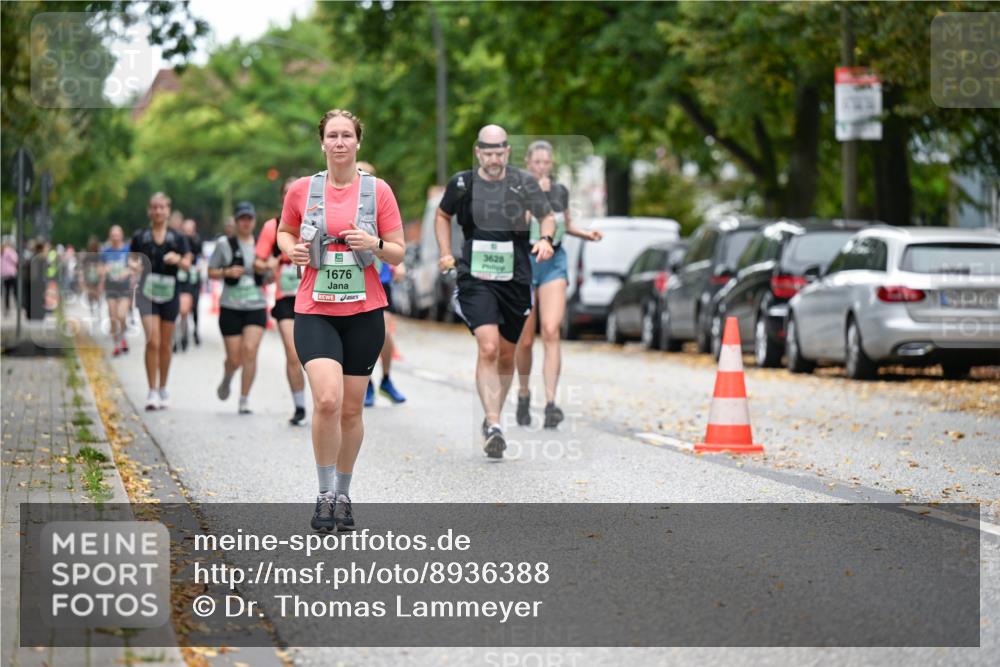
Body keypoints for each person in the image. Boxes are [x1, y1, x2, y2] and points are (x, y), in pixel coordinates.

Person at [276, 109, 404, 531]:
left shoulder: (378, 191)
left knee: (351, 410)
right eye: (332, 135)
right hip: (315, 309)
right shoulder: (302, 189)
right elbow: (285, 230)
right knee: (327, 400)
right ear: (322, 143)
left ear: (357, 142)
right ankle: (324, 494)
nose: (339, 142)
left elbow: (398, 250)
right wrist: (291, 248)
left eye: (347, 135)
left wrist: (375, 243)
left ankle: (344, 495)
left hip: (364, 312)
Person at [436, 124, 556, 459]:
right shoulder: (463, 184)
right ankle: (493, 424)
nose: (492, 157)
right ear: (478, 153)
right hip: (476, 277)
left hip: (516, 277)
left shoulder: (523, 182)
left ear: (507, 152)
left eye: (498, 151)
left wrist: (545, 239)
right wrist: (446, 251)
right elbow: (442, 215)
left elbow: (547, 217)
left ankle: (494, 418)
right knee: (487, 347)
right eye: (486, 151)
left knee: (506, 354)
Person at [514, 140, 602, 428]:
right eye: (536, 162)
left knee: (551, 331)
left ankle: (551, 403)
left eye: (546, 162)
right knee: (525, 339)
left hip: (554, 261)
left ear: (551, 164)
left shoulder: (560, 191)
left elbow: (564, 223)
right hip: (526, 261)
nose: (541, 166)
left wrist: (585, 234)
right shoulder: (518, 188)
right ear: (528, 163)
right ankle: (524, 393)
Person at [129, 192, 192, 410]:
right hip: (146, 293)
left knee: (166, 344)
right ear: (149, 210)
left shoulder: (177, 237)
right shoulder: (140, 236)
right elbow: (132, 259)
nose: (158, 211)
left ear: (167, 210)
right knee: (152, 341)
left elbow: (188, 262)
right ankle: (151, 390)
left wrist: (178, 259)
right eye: (154, 207)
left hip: (170, 293)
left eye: (162, 207)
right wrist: (135, 266)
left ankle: (163, 387)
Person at [255, 179, 308, 425]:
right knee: (293, 353)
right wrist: (271, 263)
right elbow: (258, 261)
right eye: (287, 193)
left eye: (296, 193)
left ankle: (326, 404)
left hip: (316, 296)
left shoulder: (316, 222)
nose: (292, 196)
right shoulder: (273, 226)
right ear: (282, 199)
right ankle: (299, 406)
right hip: (285, 299)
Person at [208, 202, 269, 415]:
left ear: (254, 221)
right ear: (235, 221)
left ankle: (244, 399)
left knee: (250, 351)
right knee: (235, 359)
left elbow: (270, 277)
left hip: (256, 305)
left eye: (249, 218)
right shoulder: (225, 244)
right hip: (231, 306)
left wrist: (268, 269)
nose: (245, 222)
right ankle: (228, 376)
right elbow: (210, 271)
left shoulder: (263, 243)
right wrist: (227, 272)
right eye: (241, 218)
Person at [356, 161, 406, 408]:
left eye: (366, 175)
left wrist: (399, 266)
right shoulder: (345, 205)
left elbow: (395, 242)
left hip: (380, 278)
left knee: (383, 332)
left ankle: (386, 379)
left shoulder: (381, 204)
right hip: (354, 280)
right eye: (359, 174)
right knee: (358, 336)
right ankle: (365, 383)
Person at [101, 225, 132, 356]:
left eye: (117, 234)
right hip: (111, 287)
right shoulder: (105, 252)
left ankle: (123, 336)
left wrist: (127, 272)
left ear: (121, 235)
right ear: (110, 236)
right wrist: (105, 270)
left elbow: (134, 267)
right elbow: (100, 269)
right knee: (113, 317)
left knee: (121, 315)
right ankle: (116, 345)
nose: (115, 237)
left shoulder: (128, 250)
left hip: (124, 287)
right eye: (112, 235)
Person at [174, 218, 203, 352]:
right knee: (179, 309)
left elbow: (201, 258)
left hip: (193, 279)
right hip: (180, 279)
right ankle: (178, 337)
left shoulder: (197, 241)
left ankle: (193, 331)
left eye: (190, 230)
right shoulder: (178, 241)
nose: (187, 233)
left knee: (193, 307)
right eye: (185, 230)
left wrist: (198, 267)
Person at [78, 237, 103, 318]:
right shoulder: (87, 256)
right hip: (89, 277)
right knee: (90, 294)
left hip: (96, 277)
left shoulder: (99, 255)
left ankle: (98, 309)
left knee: (96, 294)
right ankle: (92, 309)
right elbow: (83, 267)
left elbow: (101, 266)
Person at [1, 238, 17, 314]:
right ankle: (16, 305)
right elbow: (16, 260)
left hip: (4, 274)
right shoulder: (10, 251)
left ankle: (7, 307)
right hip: (11, 273)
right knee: (15, 290)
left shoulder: (2, 251)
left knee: (6, 291)